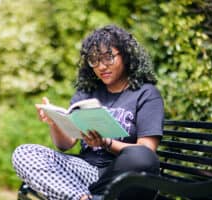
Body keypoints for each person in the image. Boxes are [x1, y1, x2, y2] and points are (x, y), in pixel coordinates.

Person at [12, 24, 164, 200]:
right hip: (84, 172)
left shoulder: (146, 94)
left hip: (119, 173)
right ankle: (82, 198)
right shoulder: (86, 93)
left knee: (142, 156)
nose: (101, 66)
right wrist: (55, 122)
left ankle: (80, 195)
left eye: (108, 58)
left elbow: (146, 151)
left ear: (125, 55)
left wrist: (106, 142)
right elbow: (65, 144)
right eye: (94, 60)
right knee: (24, 153)